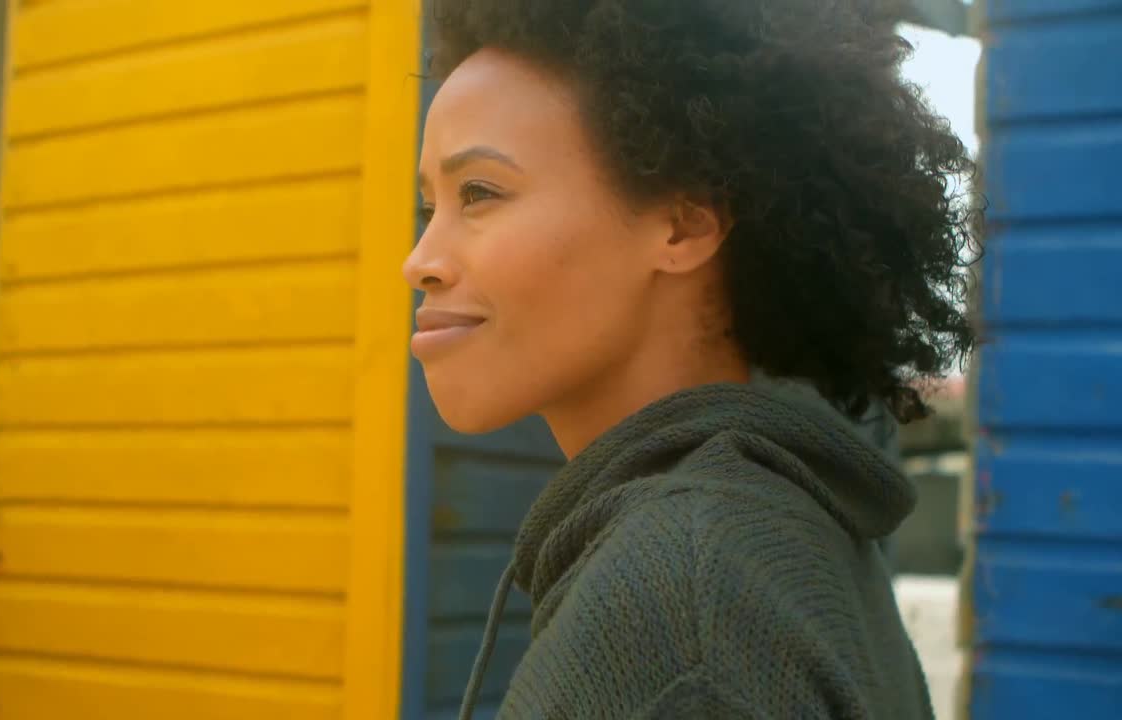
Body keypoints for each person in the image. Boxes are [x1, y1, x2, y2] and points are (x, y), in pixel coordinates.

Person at [404, 1, 978, 717]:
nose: (419, 261)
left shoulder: (679, 615)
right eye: (429, 208)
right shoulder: (778, 540)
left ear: (683, 225)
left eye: (479, 193)